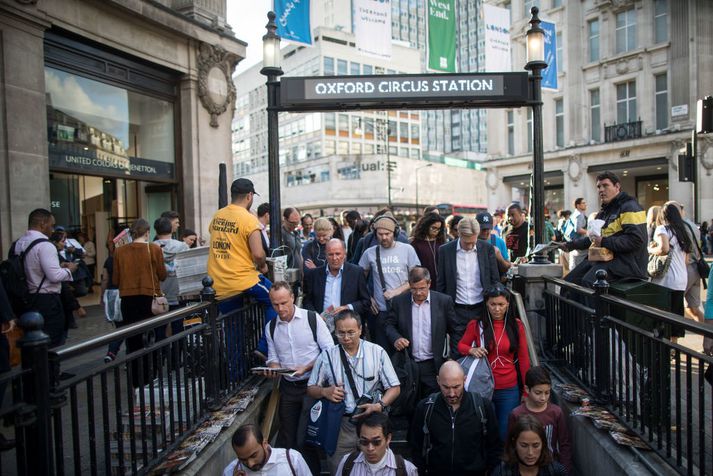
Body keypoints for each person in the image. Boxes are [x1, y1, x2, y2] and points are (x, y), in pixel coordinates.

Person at [307, 310, 401, 474]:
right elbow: (311, 388)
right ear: (335, 332)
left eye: (351, 332)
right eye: (341, 333)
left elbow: (395, 387)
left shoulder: (377, 352)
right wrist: (325, 391)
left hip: (372, 422)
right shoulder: (327, 356)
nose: (346, 337)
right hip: (342, 425)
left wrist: (379, 405)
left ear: (360, 329)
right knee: (339, 468)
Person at [206, 178, 277, 357]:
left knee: (233, 330)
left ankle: (235, 376)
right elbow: (259, 254)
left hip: (219, 282)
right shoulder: (249, 220)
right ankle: (264, 347)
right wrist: (262, 267)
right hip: (243, 279)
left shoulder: (218, 215)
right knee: (277, 300)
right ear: (249, 196)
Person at [265, 282, 333, 457]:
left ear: (293, 298)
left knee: (307, 437)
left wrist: (307, 367)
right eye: (275, 304)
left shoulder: (312, 318)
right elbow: (273, 358)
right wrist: (273, 368)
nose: (280, 308)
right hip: (288, 388)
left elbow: (329, 351)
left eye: (283, 303)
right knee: (288, 434)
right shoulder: (271, 327)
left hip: (313, 385)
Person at [457, 284, 531, 441]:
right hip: (483, 388)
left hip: (509, 389)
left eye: (501, 304)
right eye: (493, 304)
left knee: (505, 433)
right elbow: (461, 345)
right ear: (486, 304)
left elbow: (524, 359)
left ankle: (502, 464)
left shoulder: (516, 325)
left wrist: (526, 390)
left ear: (508, 305)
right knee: (484, 432)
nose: (497, 309)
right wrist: (472, 350)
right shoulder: (476, 325)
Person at [408, 361, 501, 476]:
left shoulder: (482, 407)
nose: (452, 394)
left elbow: (494, 446)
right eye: (446, 387)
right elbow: (415, 447)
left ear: (464, 380)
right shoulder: (425, 408)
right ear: (438, 381)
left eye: (456, 387)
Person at [558, 171, 648, 288]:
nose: (601, 189)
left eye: (605, 185)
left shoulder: (630, 206)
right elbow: (593, 239)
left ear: (617, 187)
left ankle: (593, 307)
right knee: (569, 282)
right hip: (605, 260)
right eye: (599, 186)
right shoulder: (604, 211)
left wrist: (604, 241)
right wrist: (570, 245)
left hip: (628, 264)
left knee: (588, 283)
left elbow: (636, 240)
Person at [385, 267, 456, 398]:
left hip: (434, 364)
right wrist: (396, 338)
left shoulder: (443, 301)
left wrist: (454, 358)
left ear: (429, 284)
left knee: (433, 403)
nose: (418, 293)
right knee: (409, 403)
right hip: (409, 364)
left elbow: (455, 330)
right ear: (409, 285)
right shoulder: (399, 302)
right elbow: (389, 325)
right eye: (414, 289)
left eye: (422, 288)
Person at [113, 218, 167, 387]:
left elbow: (115, 280)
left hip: (128, 300)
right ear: (147, 232)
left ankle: (135, 381)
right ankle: (149, 379)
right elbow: (162, 275)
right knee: (151, 338)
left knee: (132, 341)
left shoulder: (120, 251)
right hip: (148, 298)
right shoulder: (154, 249)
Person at [12, 209, 76, 347]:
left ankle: (34, 368)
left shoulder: (18, 243)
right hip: (47, 302)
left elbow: (30, 268)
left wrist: (57, 265)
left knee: (31, 344)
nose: (52, 230)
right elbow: (54, 276)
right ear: (42, 224)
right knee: (51, 343)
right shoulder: (46, 245)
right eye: (51, 225)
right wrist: (69, 270)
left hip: (25, 299)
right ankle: (48, 369)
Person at [436, 217, 500, 356]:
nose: (471, 246)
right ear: (458, 234)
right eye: (467, 242)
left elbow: (495, 280)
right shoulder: (445, 251)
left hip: (481, 308)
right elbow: (441, 284)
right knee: (458, 351)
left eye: (474, 241)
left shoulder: (486, 249)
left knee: (484, 349)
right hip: (456, 310)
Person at [358, 213, 421, 350]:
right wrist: (368, 297)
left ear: (395, 232)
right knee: (382, 350)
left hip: (405, 309)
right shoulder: (370, 253)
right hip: (381, 312)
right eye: (380, 234)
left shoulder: (407, 250)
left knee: (406, 349)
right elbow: (358, 278)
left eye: (387, 233)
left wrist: (396, 291)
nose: (384, 237)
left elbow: (416, 279)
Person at [508, 366, 572, 473]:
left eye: (547, 393)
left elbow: (564, 444)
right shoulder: (516, 414)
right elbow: (511, 445)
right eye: (538, 393)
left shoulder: (556, 413)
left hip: (550, 467)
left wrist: (566, 470)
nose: (543, 398)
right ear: (527, 389)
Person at [302, 239, 371, 330]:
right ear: (325, 255)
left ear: (344, 254)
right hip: (321, 327)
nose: (334, 258)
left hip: (348, 328)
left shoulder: (356, 272)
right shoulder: (314, 275)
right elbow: (307, 301)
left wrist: (348, 307)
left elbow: (366, 302)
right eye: (330, 254)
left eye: (338, 254)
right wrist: (316, 316)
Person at [335, 412, 418, 476]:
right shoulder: (347, 463)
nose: (370, 448)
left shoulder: (407, 470)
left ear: (388, 438)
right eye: (364, 442)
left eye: (376, 442)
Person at [648, 202, 692, 318]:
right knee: (675, 320)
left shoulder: (662, 229)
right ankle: (673, 337)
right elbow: (687, 261)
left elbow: (664, 249)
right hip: (681, 280)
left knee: (661, 318)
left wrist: (650, 250)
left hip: (665, 280)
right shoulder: (684, 232)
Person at [492, 414, 568, 476]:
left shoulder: (557, 471)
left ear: (543, 444)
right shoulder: (501, 473)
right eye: (524, 446)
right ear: (514, 443)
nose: (530, 453)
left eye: (535, 446)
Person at [223, 424, 311, 476]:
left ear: (264, 443)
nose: (250, 464)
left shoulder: (292, 460)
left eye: (254, 455)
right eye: (243, 460)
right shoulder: (230, 472)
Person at [154, 217, 190, 338]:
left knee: (159, 331)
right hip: (178, 293)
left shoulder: (151, 248)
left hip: (158, 296)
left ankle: (160, 355)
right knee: (179, 330)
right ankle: (176, 356)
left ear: (156, 231)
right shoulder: (183, 246)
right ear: (171, 230)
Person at [409, 213, 447, 290]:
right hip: (423, 283)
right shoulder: (416, 243)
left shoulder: (441, 242)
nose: (436, 231)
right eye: (434, 228)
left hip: (441, 282)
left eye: (439, 229)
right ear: (426, 226)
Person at [100, 254, 123, 363]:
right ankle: (128, 356)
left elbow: (105, 279)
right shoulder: (129, 255)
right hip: (125, 292)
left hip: (112, 293)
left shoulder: (109, 259)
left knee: (119, 326)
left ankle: (111, 351)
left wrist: (102, 296)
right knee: (130, 325)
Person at [477, 212, 512, 277]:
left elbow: (507, 267)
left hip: (494, 283)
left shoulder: (499, 242)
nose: (485, 232)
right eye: (483, 229)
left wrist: (499, 256)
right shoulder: (471, 241)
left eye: (487, 229)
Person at [281, 207, 304, 282]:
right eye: (292, 223)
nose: (295, 226)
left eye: (297, 223)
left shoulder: (295, 233)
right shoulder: (280, 233)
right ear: (285, 219)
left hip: (298, 274)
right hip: (287, 276)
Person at [567, 198, 588, 270]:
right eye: (583, 203)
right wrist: (589, 232)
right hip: (579, 244)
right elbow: (578, 229)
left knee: (573, 264)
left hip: (573, 241)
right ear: (578, 205)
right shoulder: (579, 215)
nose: (585, 204)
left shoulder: (574, 214)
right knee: (579, 265)